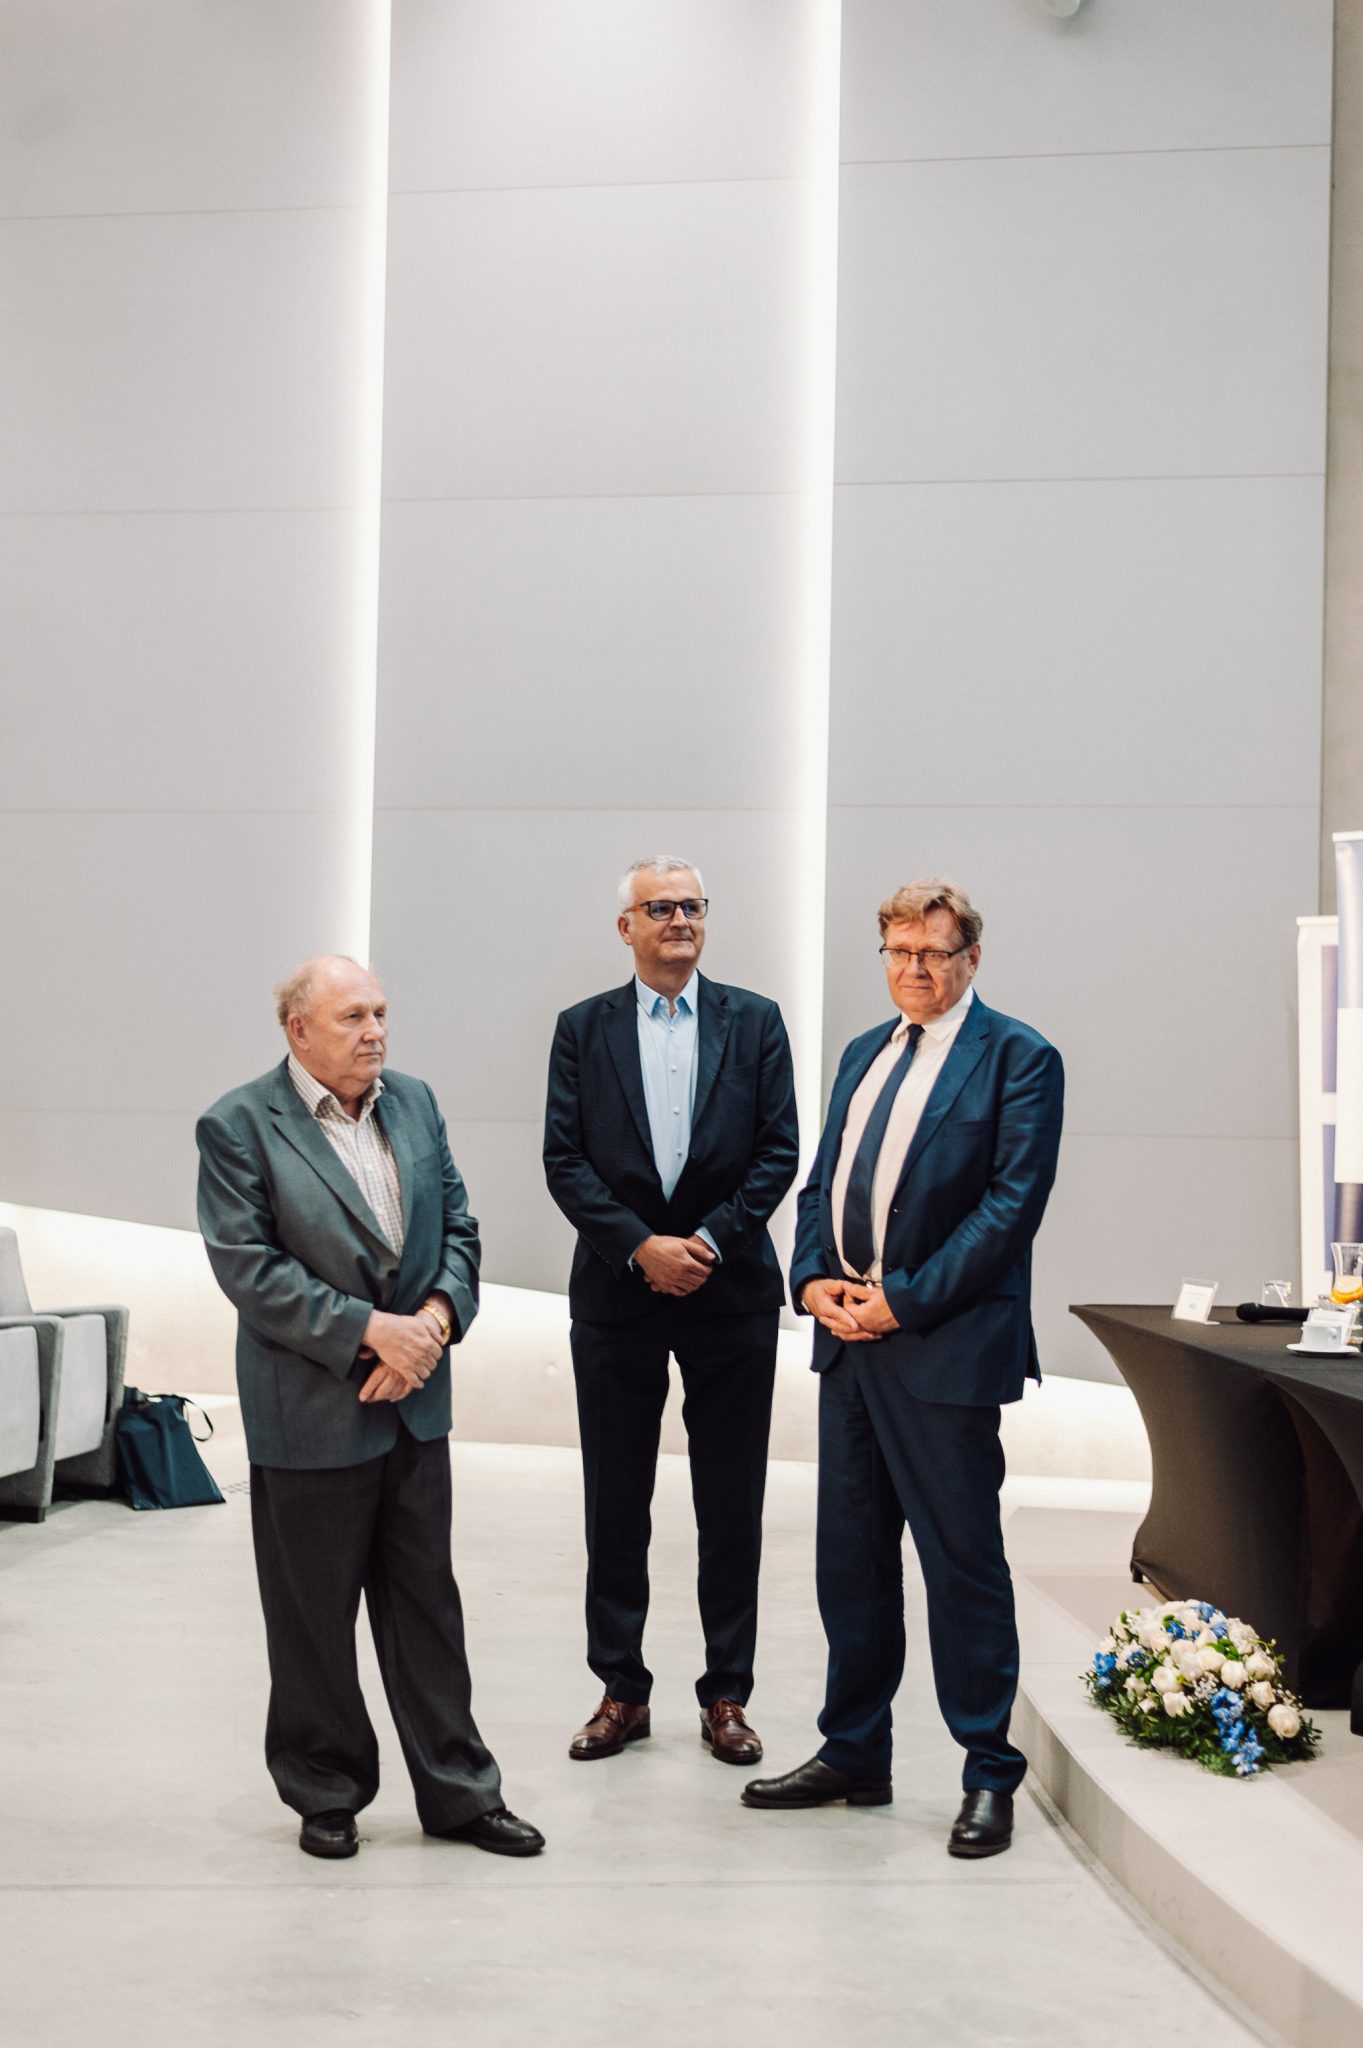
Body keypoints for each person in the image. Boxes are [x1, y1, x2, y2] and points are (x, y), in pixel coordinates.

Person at [196, 955, 543, 1861]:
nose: (375, 1032)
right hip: (310, 1411)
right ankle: (326, 1790)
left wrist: (431, 1323)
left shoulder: (415, 1103)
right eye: (352, 1016)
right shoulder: (239, 1124)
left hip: (414, 1405)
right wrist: (370, 1334)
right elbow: (250, 1269)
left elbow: (459, 1228)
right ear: (298, 1029)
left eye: (380, 1013)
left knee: (429, 1609)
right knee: (313, 1618)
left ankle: (461, 1794)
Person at [742, 880, 1063, 1858]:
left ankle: (988, 1772)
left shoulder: (1018, 1057)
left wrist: (904, 1299)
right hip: (848, 1343)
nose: (913, 969)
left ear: (971, 958)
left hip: (941, 1349)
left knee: (961, 1567)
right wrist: (810, 1279)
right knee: (850, 1563)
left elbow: (1008, 1209)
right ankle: (854, 1751)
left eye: (932, 952)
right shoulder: (862, 1052)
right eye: (897, 951)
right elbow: (820, 1182)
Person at [543, 859, 799, 1766]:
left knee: (731, 1503)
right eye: (660, 907)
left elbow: (777, 1152)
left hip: (729, 1295)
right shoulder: (582, 1028)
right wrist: (639, 1246)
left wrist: (707, 1243)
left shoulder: (755, 1020)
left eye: (692, 906)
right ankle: (621, 1689)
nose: (679, 919)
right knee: (616, 1500)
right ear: (627, 926)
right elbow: (564, 1160)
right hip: (617, 1295)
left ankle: (727, 1693)